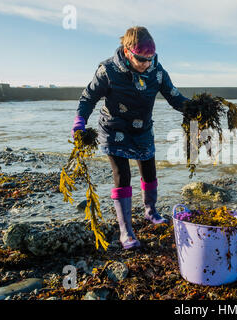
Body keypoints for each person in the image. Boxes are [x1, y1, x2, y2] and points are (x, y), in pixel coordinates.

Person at [71, 26, 189, 250]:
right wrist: (80, 122)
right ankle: (126, 231)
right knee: (122, 175)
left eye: (150, 58)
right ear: (127, 51)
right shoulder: (108, 71)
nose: (146, 63)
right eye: (141, 59)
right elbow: (88, 98)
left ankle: (150, 211)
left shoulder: (156, 70)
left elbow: (174, 97)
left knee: (149, 171)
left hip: (143, 129)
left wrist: (195, 108)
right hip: (114, 130)